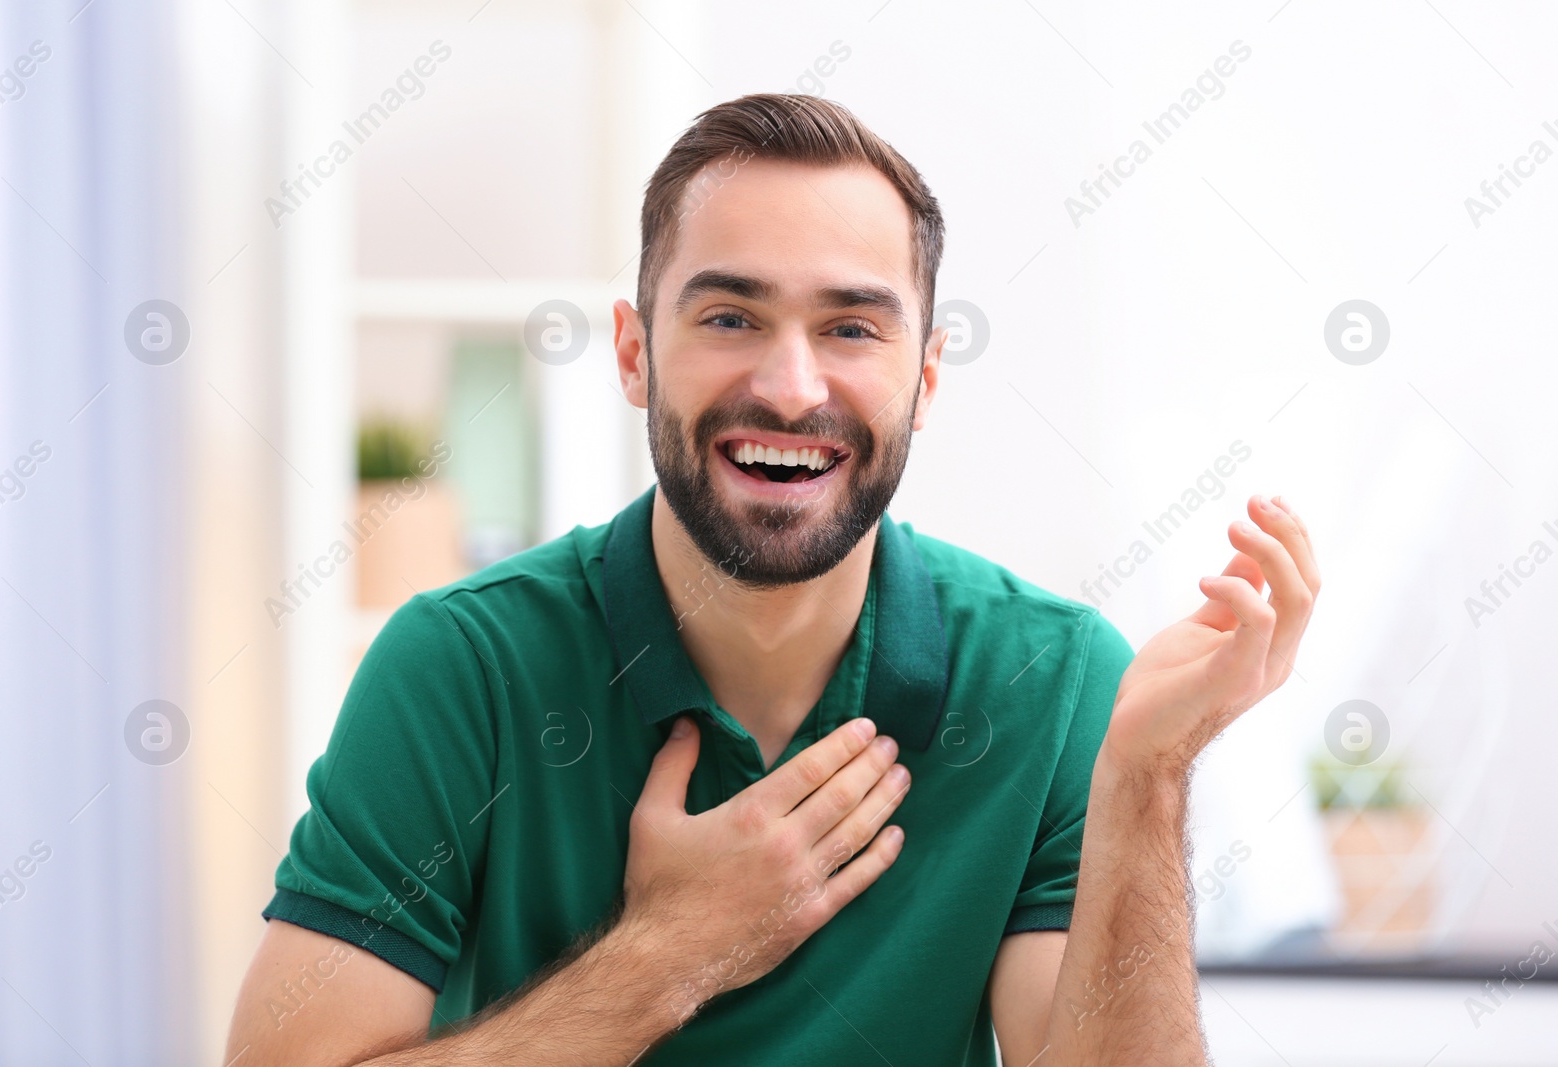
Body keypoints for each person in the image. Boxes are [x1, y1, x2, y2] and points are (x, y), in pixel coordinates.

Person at [224, 93, 1320, 1066]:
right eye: (729, 318)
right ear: (633, 353)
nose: (790, 388)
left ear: (924, 376)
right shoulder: (458, 668)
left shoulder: (1055, 676)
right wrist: (666, 954)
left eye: (849, 326)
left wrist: (1149, 772)